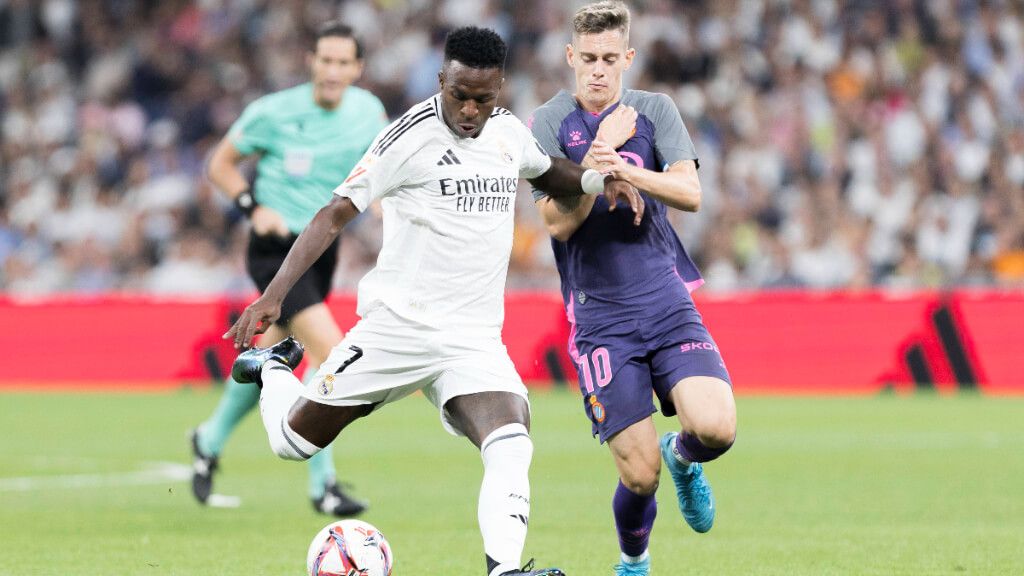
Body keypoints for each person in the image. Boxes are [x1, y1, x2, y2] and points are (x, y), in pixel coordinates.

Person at [224, 26, 641, 576]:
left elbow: (546, 170)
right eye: (459, 95)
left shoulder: (507, 133)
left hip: (471, 339)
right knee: (291, 443)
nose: (470, 109)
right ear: (441, 79)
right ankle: (274, 369)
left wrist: (594, 180)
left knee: (512, 443)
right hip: (398, 328)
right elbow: (332, 214)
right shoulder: (407, 137)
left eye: (483, 99)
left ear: (500, 90)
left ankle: (504, 570)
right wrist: (274, 297)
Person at [528, 2, 737, 575]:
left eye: (609, 60)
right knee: (638, 474)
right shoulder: (547, 123)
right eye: (588, 59)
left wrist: (618, 167)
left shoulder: (654, 110)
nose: (598, 70)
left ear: (628, 59)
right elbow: (556, 222)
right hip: (601, 320)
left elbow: (689, 193)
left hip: (666, 301)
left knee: (716, 429)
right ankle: (634, 562)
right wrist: (597, 161)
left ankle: (684, 456)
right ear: (571, 57)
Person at [190, 20, 387, 517]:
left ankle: (208, 439)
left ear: (358, 68)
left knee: (272, 356)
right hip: (275, 250)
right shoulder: (274, 112)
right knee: (333, 354)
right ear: (311, 62)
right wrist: (251, 205)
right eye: (326, 60)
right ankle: (325, 485)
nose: (333, 71)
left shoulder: (368, 112)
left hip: (321, 250)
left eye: (344, 63)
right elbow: (221, 163)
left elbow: (378, 175)